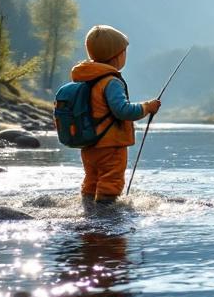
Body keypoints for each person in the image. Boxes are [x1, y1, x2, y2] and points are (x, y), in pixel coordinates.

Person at [68, 25, 160, 203]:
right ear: (117, 55)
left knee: (91, 180)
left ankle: (88, 212)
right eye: (124, 51)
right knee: (111, 182)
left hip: (89, 144)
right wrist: (147, 107)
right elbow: (123, 111)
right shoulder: (111, 82)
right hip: (110, 146)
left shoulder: (86, 79)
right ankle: (106, 218)